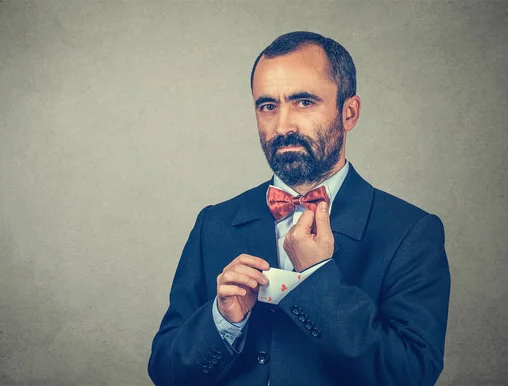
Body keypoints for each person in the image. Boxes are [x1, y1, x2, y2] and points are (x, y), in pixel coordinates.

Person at [148, 31, 451, 386]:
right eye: (267, 106)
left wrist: (317, 279)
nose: (282, 126)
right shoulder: (213, 223)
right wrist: (222, 321)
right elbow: (166, 373)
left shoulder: (411, 232)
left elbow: (410, 376)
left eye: (304, 102)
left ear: (349, 112)